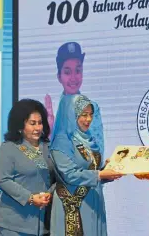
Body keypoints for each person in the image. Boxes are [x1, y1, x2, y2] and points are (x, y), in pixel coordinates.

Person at [49, 94, 122, 236]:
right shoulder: (62, 141)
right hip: (72, 205)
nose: (88, 119)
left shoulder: (89, 140)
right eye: (83, 115)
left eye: (90, 115)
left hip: (92, 201)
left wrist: (106, 171)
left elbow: (91, 169)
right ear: (71, 115)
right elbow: (69, 174)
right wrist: (99, 175)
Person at [0, 99, 55, 236]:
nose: (37, 128)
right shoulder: (9, 147)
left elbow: (57, 177)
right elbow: (3, 180)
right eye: (32, 123)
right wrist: (30, 198)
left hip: (43, 224)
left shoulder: (48, 147)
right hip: (14, 225)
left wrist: (50, 193)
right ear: (20, 126)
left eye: (40, 123)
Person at [45, 41, 105, 155]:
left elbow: (99, 151)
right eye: (67, 72)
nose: (73, 78)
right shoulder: (54, 108)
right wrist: (49, 133)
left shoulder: (92, 107)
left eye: (78, 71)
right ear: (59, 77)